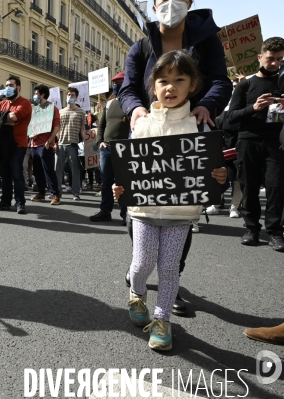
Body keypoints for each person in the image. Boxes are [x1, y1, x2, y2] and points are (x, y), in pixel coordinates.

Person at [113, 50, 227, 351]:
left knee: (169, 268)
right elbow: (129, 168)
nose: (170, 87)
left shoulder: (201, 126)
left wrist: (218, 177)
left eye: (179, 79)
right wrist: (120, 188)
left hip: (181, 214)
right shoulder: (141, 125)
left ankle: (162, 321)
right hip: (142, 212)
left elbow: (213, 170)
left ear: (193, 85)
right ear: (153, 86)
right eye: (163, 80)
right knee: (141, 264)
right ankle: (136, 294)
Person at [119, 0, 232, 131]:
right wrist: (135, 108)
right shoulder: (139, 49)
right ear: (154, 8)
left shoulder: (208, 42)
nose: (171, 3)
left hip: (196, 133)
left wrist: (207, 105)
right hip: (151, 135)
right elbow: (127, 89)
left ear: (189, 4)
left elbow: (221, 82)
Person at [228, 37, 284, 252]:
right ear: (260, 57)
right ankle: (251, 228)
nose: (274, 64)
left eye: (279, 59)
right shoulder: (245, 84)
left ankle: (275, 232)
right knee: (249, 186)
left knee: (276, 187)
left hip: (275, 142)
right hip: (248, 141)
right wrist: (255, 107)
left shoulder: (283, 81)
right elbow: (231, 116)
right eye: (270, 59)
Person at [0, 76, 32, 214]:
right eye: (7, 85)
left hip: (18, 144)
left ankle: (20, 203)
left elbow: (14, 117)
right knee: (3, 175)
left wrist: (1, 119)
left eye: (11, 85)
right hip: (2, 144)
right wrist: (4, 119)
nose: (8, 87)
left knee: (17, 174)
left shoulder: (25, 103)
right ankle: (5, 201)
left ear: (18, 87)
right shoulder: (2, 103)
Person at [91, 72, 130, 224]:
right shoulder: (109, 104)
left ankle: (126, 214)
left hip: (125, 148)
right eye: (115, 83)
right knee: (106, 182)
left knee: (123, 182)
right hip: (106, 147)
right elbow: (102, 125)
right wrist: (100, 141)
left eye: (120, 82)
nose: (116, 86)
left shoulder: (132, 103)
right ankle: (105, 211)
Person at [29, 84, 61, 205]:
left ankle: (55, 194)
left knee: (48, 170)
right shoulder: (34, 109)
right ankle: (41, 193)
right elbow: (30, 126)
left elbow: (56, 127)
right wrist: (30, 135)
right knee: (37, 170)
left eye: (36, 93)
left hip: (46, 144)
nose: (35, 96)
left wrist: (49, 141)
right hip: (34, 144)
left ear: (42, 94)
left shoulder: (52, 108)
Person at [56, 87, 87, 200]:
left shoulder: (81, 112)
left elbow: (82, 130)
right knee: (59, 170)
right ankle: (57, 193)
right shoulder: (60, 112)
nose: (70, 96)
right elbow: (57, 128)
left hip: (73, 144)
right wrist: (57, 140)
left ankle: (76, 193)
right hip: (61, 144)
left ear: (76, 97)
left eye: (72, 95)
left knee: (75, 170)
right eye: (68, 94)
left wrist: (86, 143)